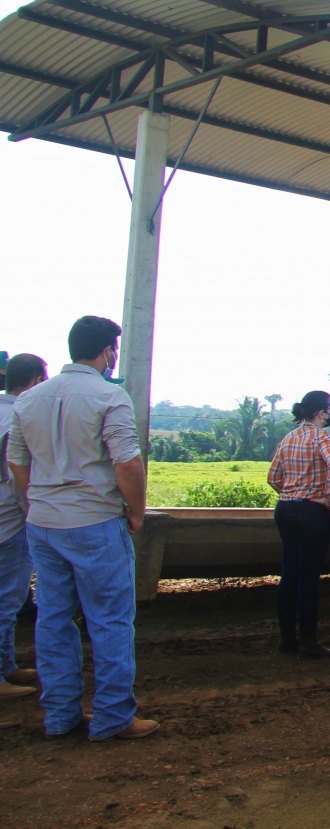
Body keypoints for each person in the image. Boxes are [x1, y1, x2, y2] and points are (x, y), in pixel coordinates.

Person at [7, 316, 157, 739]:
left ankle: (60, 715)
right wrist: (137, 511)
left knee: (54, 619)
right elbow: (127, 462)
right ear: (108, 352)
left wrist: (37, 500)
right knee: (109, 620)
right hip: (94, 521)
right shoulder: (109, 396)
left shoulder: (30, 399)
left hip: (44, 523)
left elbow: (17, 461)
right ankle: (113, 717)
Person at [268, 390, 330, 658]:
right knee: (309, 577)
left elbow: (273, 476)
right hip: (312, 511)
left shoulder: (289, 438)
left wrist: (290, 492)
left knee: (289, 573)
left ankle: (287, 639)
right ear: (321, 413)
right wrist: (326, 496)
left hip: (286, 508)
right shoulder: (322, 436)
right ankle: (308, 642)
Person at [0, 353, 47, 698]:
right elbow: (18, 472)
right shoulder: (21, 416)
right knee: (6, 600)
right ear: (34, 381)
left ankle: (7, 666)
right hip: (10, 520)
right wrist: (31, 509)